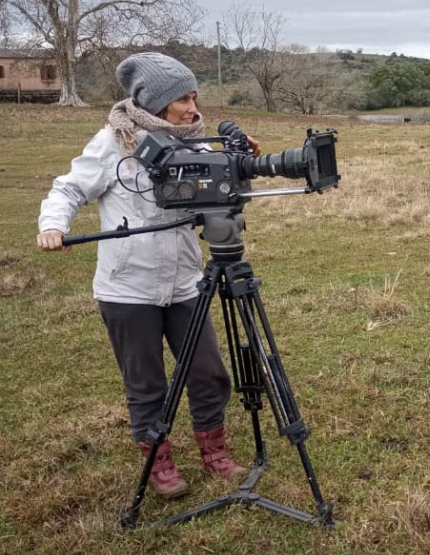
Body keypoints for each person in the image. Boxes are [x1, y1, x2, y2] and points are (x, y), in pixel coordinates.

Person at [36, 53, 258, 499]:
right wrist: (52, 225)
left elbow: (220, 201)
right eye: (183, 99)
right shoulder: (112, 142)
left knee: (207, 372)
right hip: (127, 288)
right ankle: (160, 462)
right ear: (154, 102)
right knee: (147, 382)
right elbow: (69, 187)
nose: (193, 108)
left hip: (184, 283)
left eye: (195, 96)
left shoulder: (194, 143)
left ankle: (214, 452)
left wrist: (240, 167)